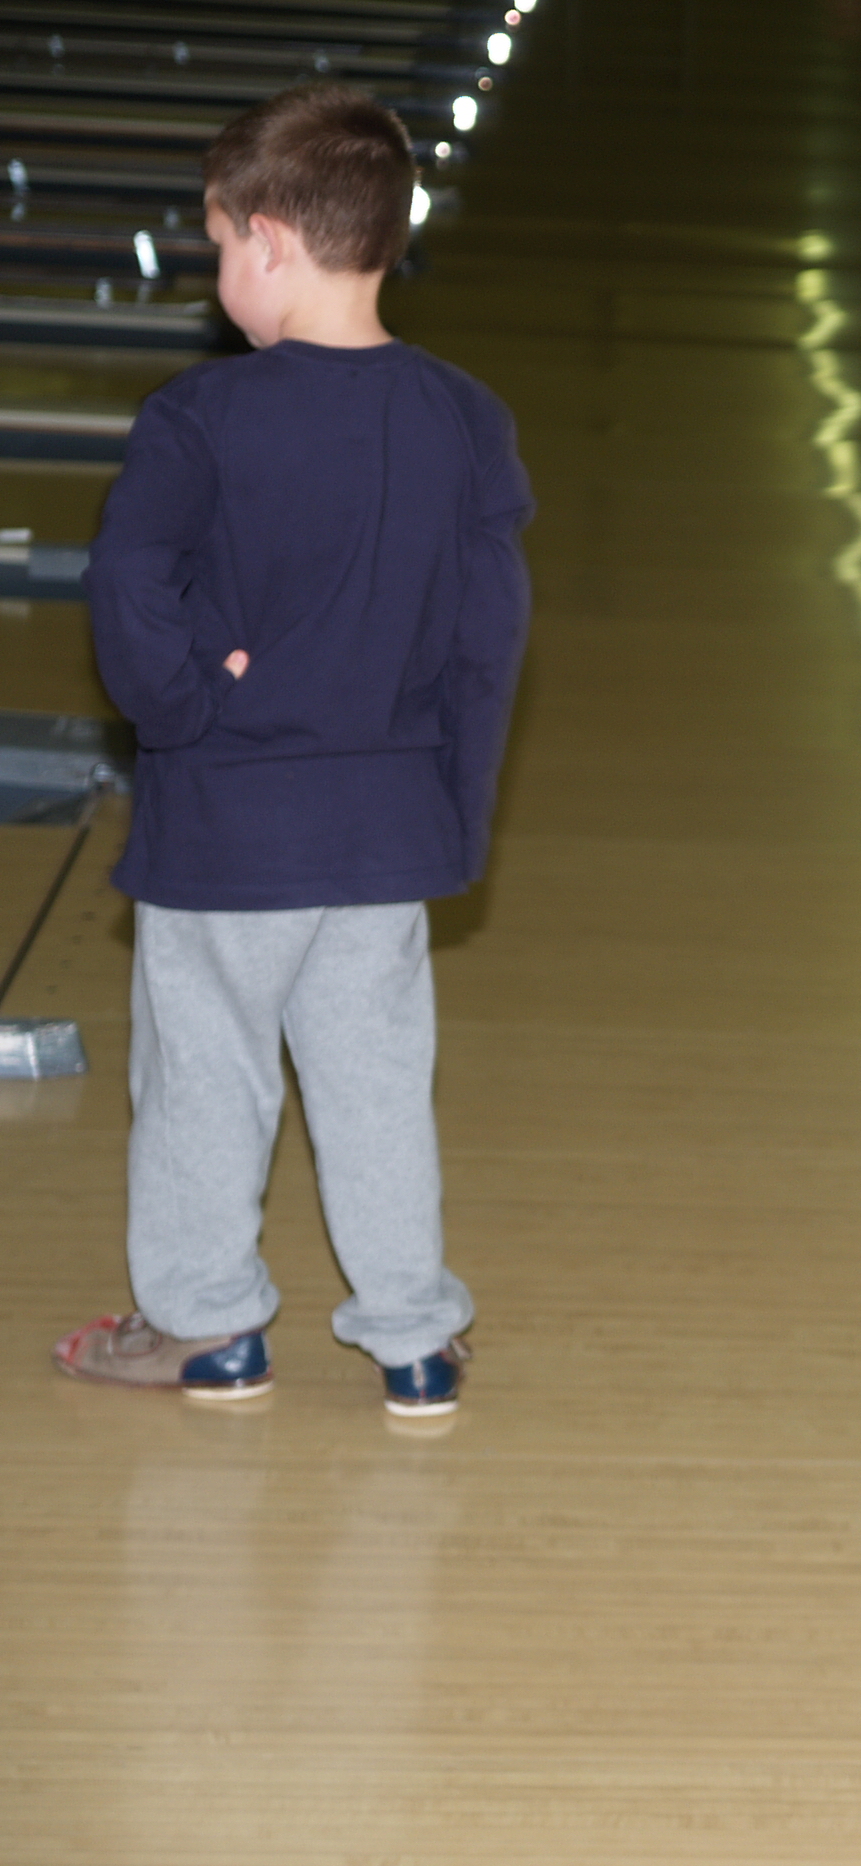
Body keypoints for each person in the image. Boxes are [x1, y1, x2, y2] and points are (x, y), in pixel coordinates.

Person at [51, 83, 533, 1416]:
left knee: (205, 1080)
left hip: (228, 833)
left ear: (267, 239)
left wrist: (182, 709)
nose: (218, 274)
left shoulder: (200, 416)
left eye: (216, 244)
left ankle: (206, 1329)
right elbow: (490, 638)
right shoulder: (466, 417)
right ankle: (415, 1341)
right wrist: (453, 813)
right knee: (376, 1085)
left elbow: (126, 582)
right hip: (384, 838)